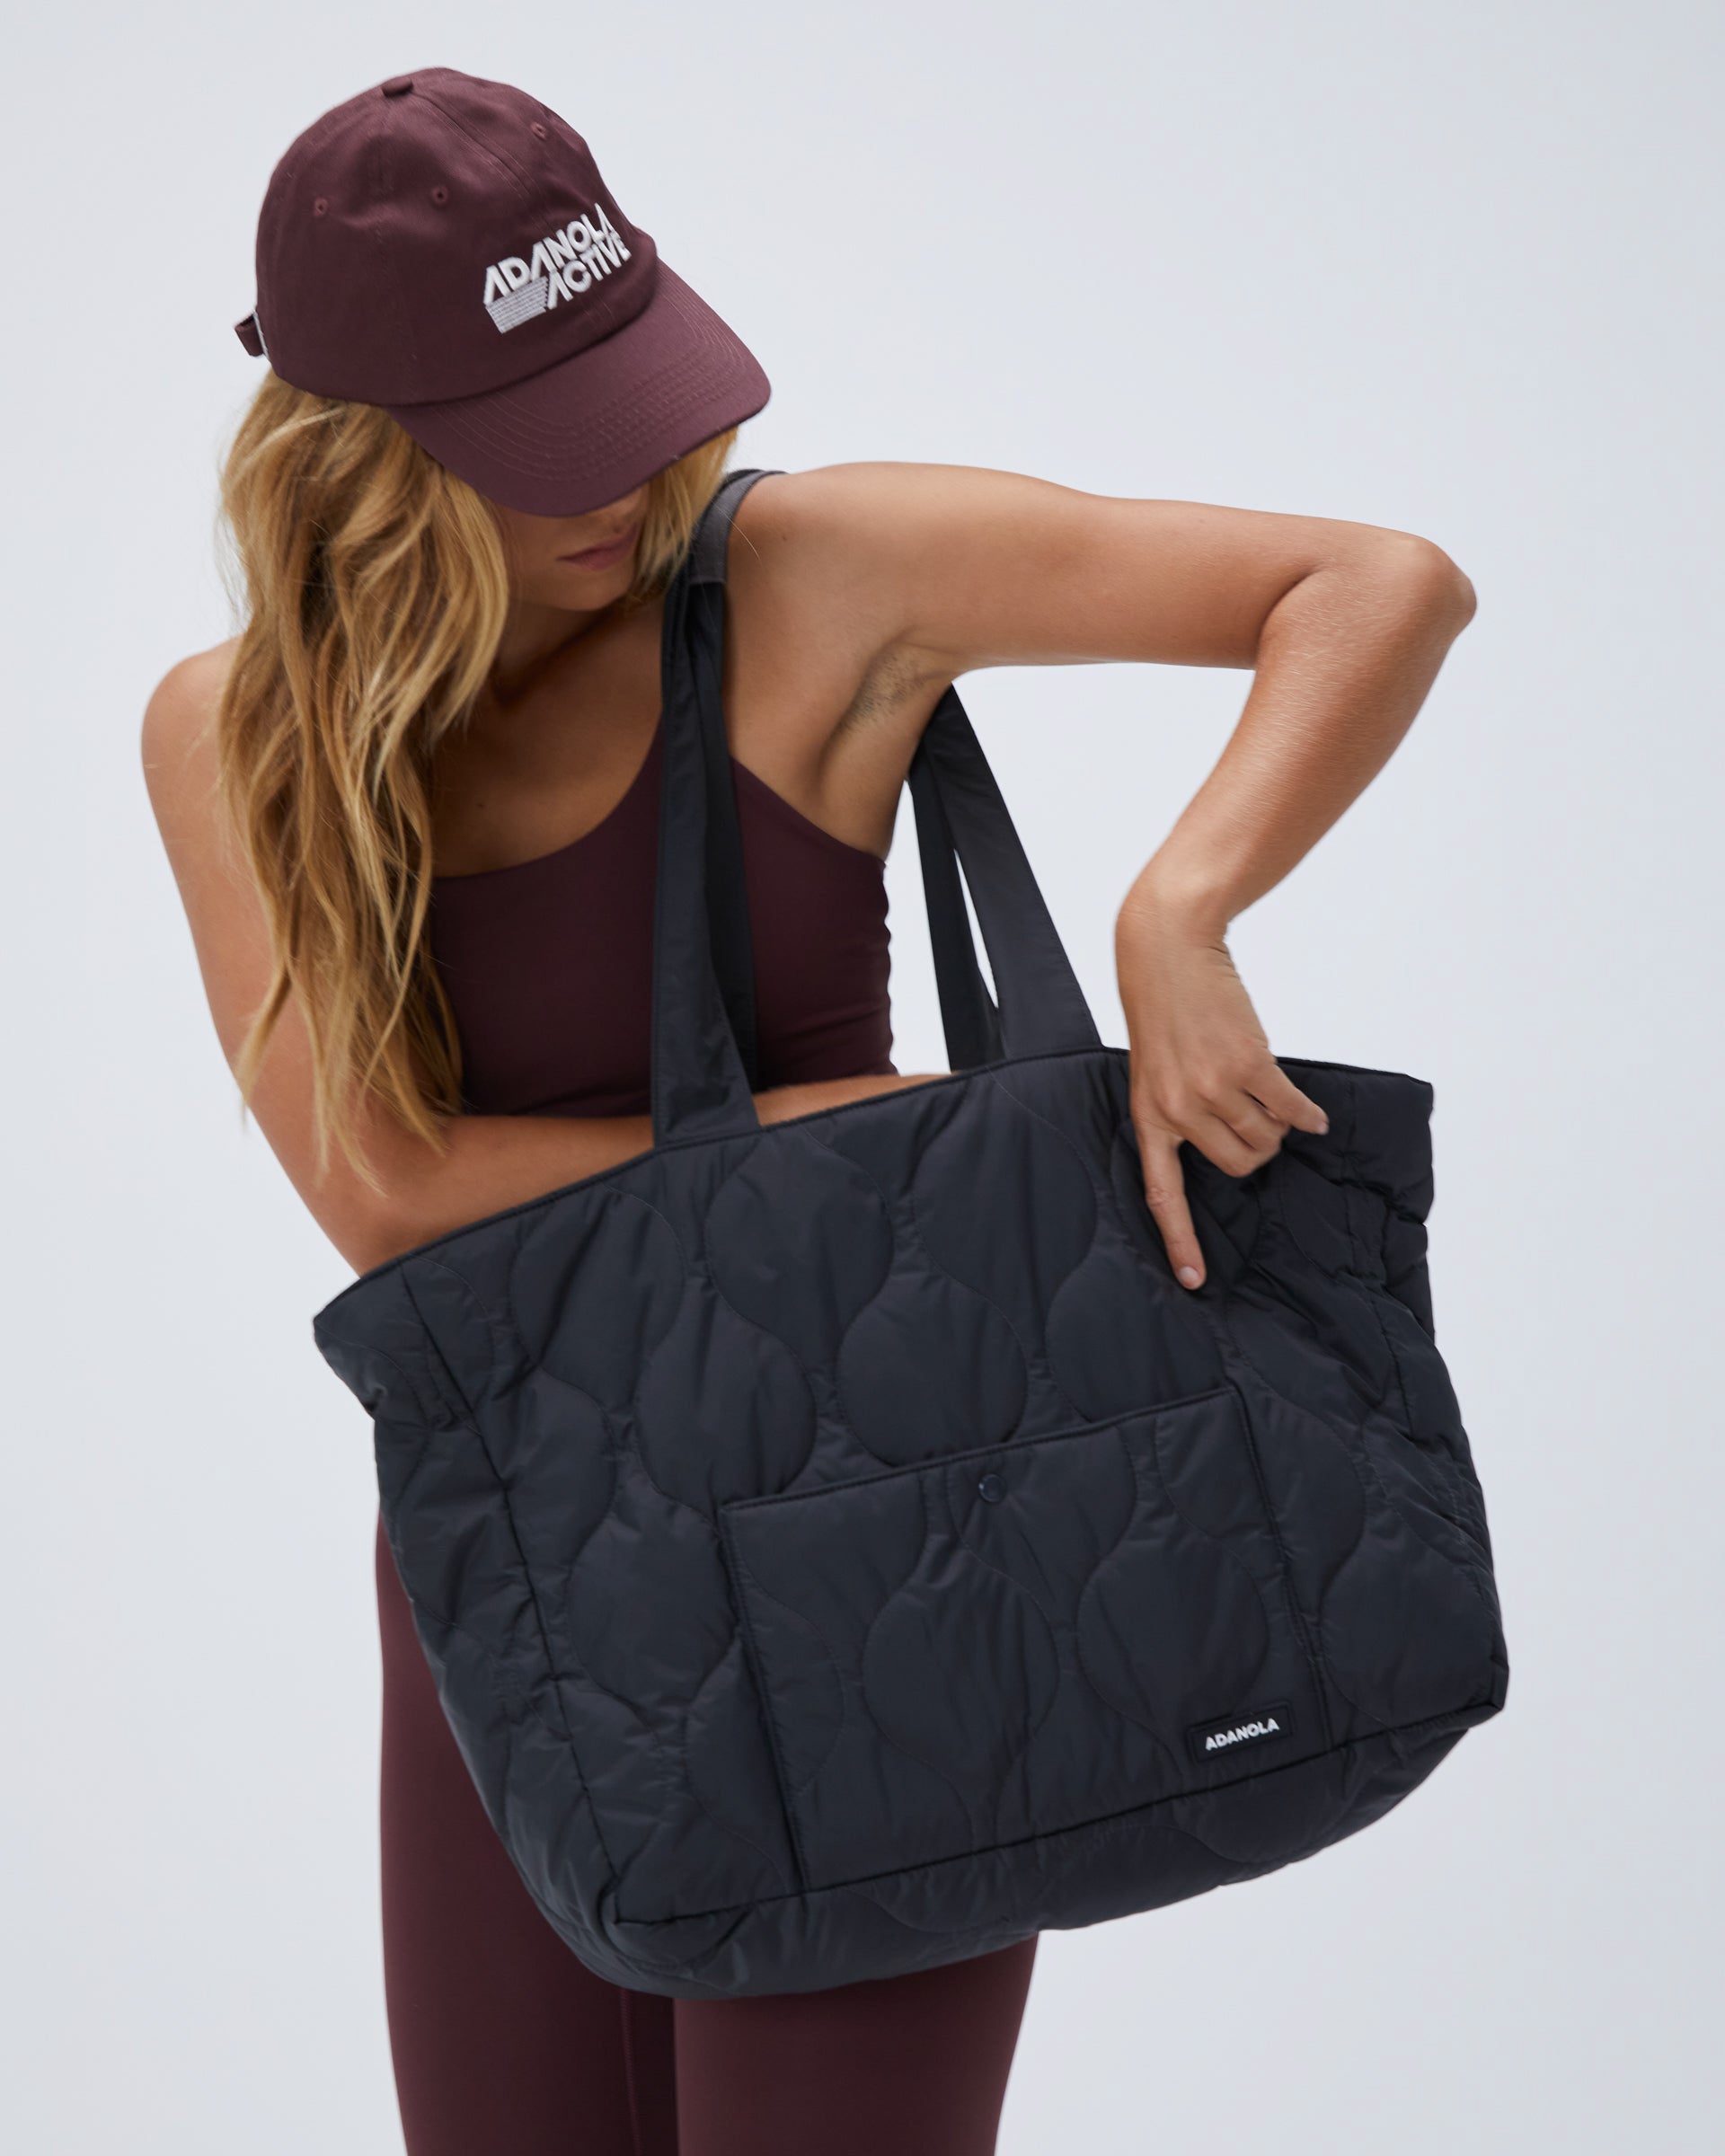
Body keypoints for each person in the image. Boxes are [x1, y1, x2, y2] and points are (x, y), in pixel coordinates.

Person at [141, 65, 1475, 2156]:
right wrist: (848, 1137)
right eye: (545, 444)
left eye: (631, 392)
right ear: (358, 457)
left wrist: (1181, 907)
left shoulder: (816, 575)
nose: (632, 473)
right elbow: (390, 1194)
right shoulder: (238, 734)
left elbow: (1377, 581)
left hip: (905, 1546)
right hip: (530, 1566)